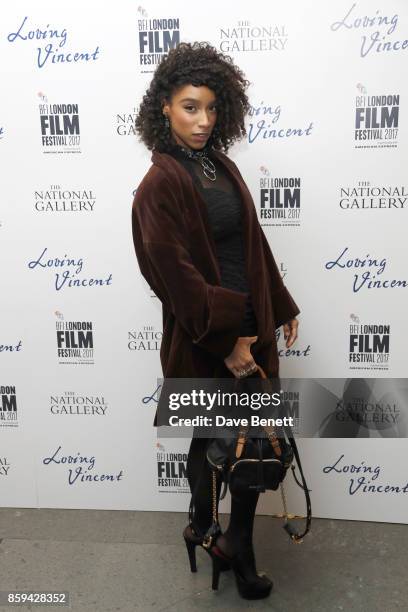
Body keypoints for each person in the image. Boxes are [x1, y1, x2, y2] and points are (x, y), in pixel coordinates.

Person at [132, 41, 300, 600]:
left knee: (253, 440)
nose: (203, 121)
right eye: (189, 107)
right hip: (209, 335)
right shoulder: (159, 185)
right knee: (209, 438)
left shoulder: (218, 164)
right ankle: (208, 531)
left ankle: (235, 541)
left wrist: (281, 303)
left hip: (252, 323)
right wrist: (228, 341)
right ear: (163, 107)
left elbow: (250, 242)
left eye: (210, 108)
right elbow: (173, 277)